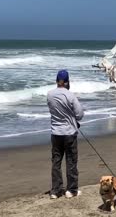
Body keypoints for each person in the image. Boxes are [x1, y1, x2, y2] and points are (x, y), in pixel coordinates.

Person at [47, 69, 84, 199]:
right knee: (71, 161)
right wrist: (72, 118)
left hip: (55, 133)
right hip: (69, 133)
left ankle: (56, 191)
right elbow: (79, 115)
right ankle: (71, 190)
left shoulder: (49, 94)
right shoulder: (70, 95)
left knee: (56, 161)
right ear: (67, 82)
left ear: (57, 81)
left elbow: (54, 111)